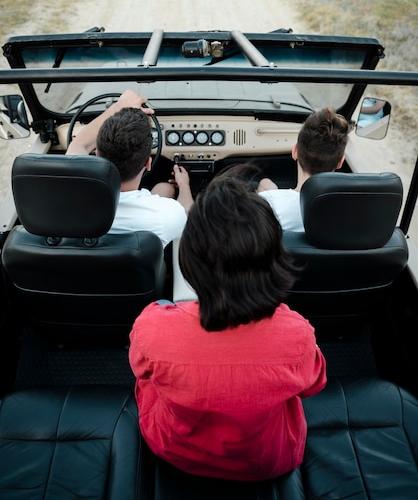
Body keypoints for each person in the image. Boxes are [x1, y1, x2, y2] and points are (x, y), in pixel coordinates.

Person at [129, 176, 327, 481]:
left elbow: (140, 370)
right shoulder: (297, 334)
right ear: (273, 261)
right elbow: (314, 385)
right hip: (269, 459)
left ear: (189, 263)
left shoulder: (150, 326)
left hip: (174, 449)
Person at [66, 89, 193, 248]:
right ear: (148, 163)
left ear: (97, 155)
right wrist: (184, 186)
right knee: (166, 189)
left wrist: (117, 107)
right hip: (138, 272)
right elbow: (188, 214)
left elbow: (79, 145)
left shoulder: (69, 197)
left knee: (164, 188)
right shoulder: (165, 215)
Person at [257, 107, 350, 232]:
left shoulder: (268, 203)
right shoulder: (348, 211)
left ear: (295, 152)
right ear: (340, 162)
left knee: (265, 183)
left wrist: (271, 194)